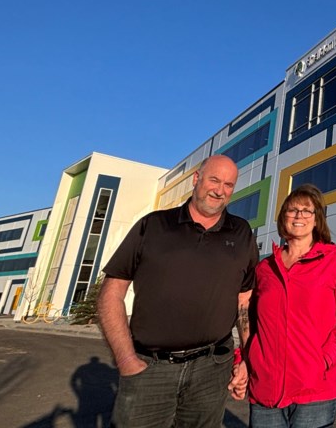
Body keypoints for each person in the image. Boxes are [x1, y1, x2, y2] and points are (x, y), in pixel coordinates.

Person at [98, 154, 258, 427]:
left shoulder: (241, 232)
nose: (220, 190)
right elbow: (111, 294)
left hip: (212, 370)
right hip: (150, 368)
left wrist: (247, 360)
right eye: (214, 180)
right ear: (196, 179)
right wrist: (126, 359)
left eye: (229, 185)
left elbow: (244, 303)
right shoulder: (153, 226)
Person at [244, 184, 336, 428]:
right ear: (282, 218)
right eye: (292, 210)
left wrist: (323, 360)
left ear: (317, 219)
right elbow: (249, 318)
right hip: (266, 389)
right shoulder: (265, 268)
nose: (299, 216)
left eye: (307, 211)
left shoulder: (335, 261)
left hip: (315, 390)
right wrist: (245, 360)